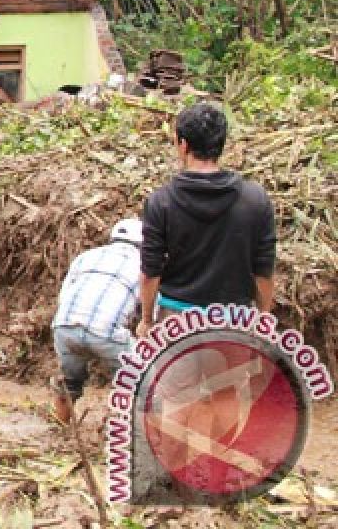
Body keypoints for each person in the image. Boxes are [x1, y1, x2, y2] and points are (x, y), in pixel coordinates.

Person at [138, 101, 276, 336]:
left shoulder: (161, 202)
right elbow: (264, 269)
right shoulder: (255, 199)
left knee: (176, 374)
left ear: (183, 145)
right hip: (234, 323)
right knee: (230, 375)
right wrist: (263, 317)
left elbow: (151, 271)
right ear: (221, 145)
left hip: (176, 324)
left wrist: (147, 320)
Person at [51, 218, 143, 424]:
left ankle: (60, 427)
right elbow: (147, 311)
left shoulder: (86, 257)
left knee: (69, 383)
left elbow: (63, 296)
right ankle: (130, 440)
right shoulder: (144, 266)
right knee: (142, 383)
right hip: (105, 333)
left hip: (64, 327)